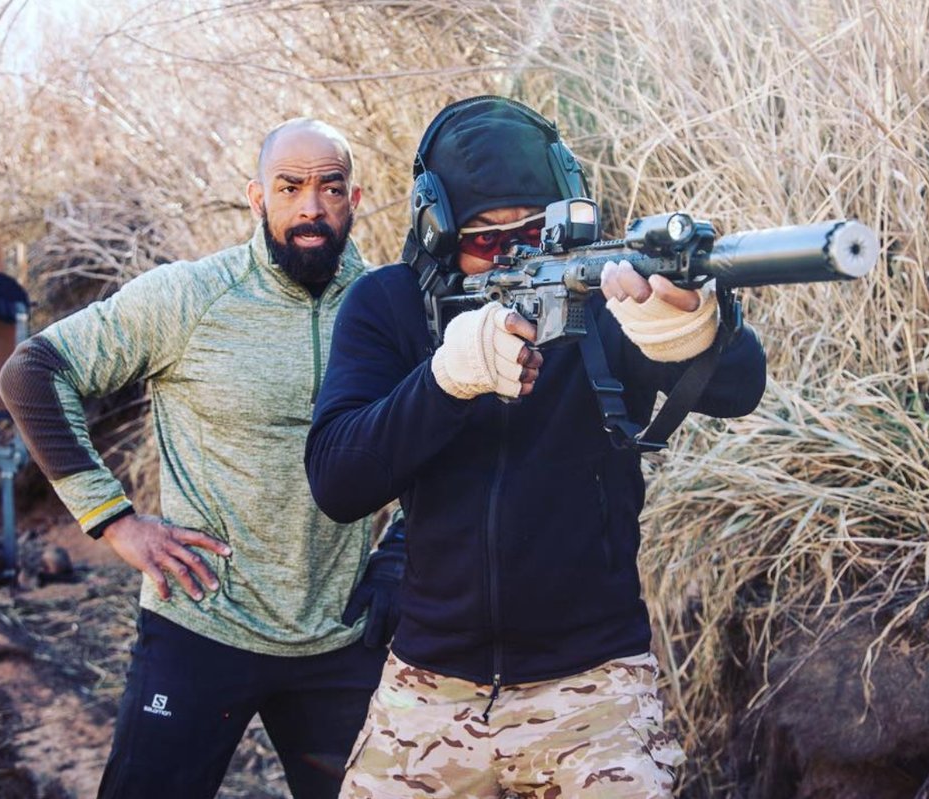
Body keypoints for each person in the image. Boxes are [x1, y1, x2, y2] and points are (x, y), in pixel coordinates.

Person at [304, 96, 767, 797]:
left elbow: (740, 388)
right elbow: (338, 481)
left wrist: (689, 333)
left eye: (532, 231)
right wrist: (444, 382)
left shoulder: (608, 290)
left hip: (594, 680)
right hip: (430, 681)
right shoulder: (387, 304)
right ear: (436, 233)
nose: (515, 253)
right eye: (485, 240)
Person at [0, 118, 403, 799]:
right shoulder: (189, 296)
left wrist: (399, 555)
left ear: (354, 199)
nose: (311, 206)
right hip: (202, 622)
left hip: (337, 638)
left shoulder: (388, 305)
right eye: (290, 187)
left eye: (330, 188)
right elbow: (32, 372)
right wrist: (114, 520)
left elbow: (446, 430)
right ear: (256, 196)